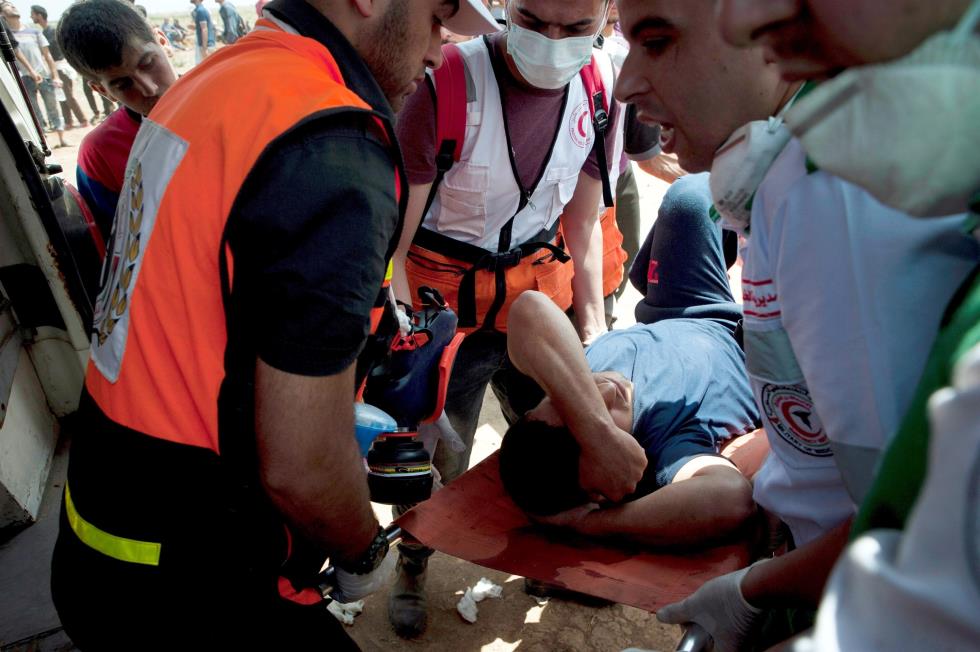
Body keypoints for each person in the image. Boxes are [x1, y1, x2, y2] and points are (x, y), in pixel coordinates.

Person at [49, 0, 499, 648]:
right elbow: (304, 466)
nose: (444, 42)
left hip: (102, 522)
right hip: (194, 580)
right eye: (440, 11)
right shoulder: (329, 141)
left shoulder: (213, 85)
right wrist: (363, 551)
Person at [613, 1, 979, 651]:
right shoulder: (792, 171)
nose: (624, 82)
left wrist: (757, 589)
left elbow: (896, 516)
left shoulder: (831, 191)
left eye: (660, 40)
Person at [388, 0, 660, 638]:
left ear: (607, 17)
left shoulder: (600, 89)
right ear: (507, 7)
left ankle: (543, 554)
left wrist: (592, 326)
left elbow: (584, 222)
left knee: (552, 442)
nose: (553, 43)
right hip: (444, 315)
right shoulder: (447, 86)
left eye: (577, 29)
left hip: (538, 299)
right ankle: (415, 556)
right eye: (535, 22)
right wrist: (405, 337)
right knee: (435, 459)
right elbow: (394, 246)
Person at [500, 175, 759, 548]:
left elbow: (529, 309)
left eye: (569, 405)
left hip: (682, 307)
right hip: (753, 348)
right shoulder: (668, 442)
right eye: (605, 416)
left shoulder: (576, 382)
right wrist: (590, 525)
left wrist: (598, 431)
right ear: (606, 485)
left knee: (689, 197)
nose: (603, 389)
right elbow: (732, 499)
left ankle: (648, 272)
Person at [58, 0, 177, 242]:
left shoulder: (228, 97)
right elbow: (121, 247)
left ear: (162, 40)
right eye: (123, 84)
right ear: (102, 91)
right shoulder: (99, 152)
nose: (149, 88)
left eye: (148, 63)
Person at [2, 1, 66, 146]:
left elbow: (47, 55)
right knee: (34, 111)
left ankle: (62, 139)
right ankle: (44, 142)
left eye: (13, 5)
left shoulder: (34, 31)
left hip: (43, 75)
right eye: (8, 6)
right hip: (24, 78)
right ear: (2, 14)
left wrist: (55, 75)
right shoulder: (7, 37)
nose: (13, 7)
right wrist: (30, 71)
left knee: (53, 107)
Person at [30, 4, 88, 129]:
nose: (31, 17)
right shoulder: (43, 33)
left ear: (39, 15)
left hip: (61, 67)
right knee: (61, 96)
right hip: (54, 69)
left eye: (33, 14)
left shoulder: (53, 31)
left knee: (68, 95)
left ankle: (83, 120)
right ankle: (68, 122)